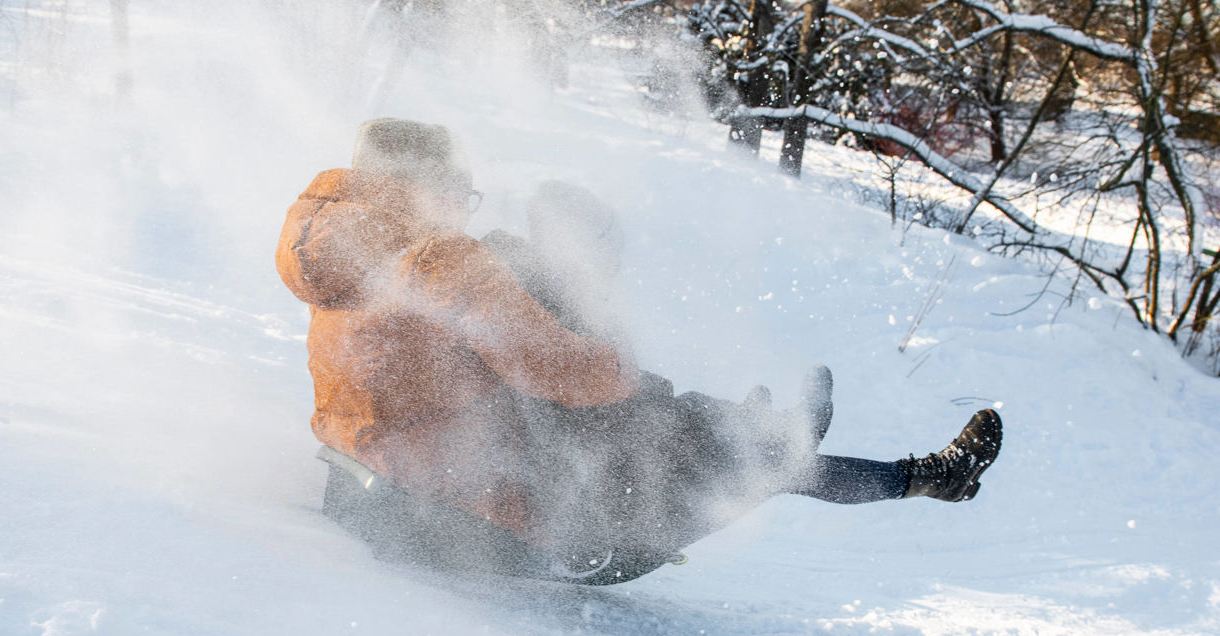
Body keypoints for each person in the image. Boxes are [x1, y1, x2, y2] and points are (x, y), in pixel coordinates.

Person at [276, 118, 1002, 584]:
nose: (465, 207)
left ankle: (760, 437)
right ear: (419, 187)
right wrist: (608, 347)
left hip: (385, 494)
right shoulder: (436, 258)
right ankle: (906, 471)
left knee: (657, 416)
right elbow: (571, 370)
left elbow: (451, 357)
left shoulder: (341, 244)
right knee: (731, 451)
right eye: (459, 192)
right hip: (485, 521)